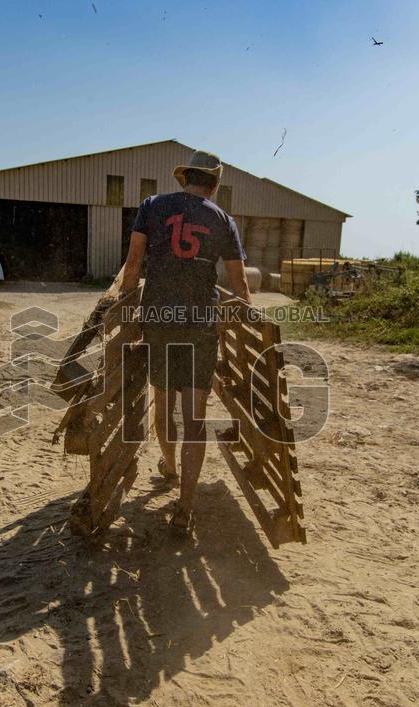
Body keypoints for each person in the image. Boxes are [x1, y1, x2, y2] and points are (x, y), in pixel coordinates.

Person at [121, 150, 252, 532]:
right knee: (194, 419)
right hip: (200, 324)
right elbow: (240, 282)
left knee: (163, 404)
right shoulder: (222, 219)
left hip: (160, 321)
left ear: (185, 178)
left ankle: (170, 466)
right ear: (214, 184)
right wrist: (247, 316)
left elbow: (133, 264)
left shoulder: (152, 206)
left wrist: (124, 308)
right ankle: (186, 507)